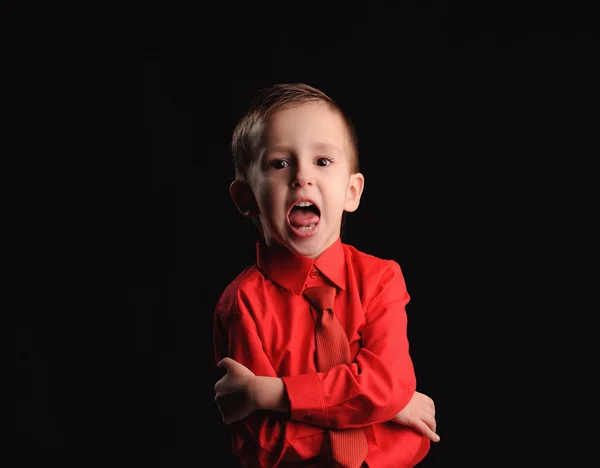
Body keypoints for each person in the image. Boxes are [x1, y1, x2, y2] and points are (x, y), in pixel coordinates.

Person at [213, 83, 438, 467]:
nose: (302, 177)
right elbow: (266, 442)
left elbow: (387, 384)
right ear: (246, 198)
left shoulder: (381, 279)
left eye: (322, 161)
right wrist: (379, 410)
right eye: (279, 163)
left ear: (352, 192)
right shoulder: (242, 305)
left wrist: (270, 394)